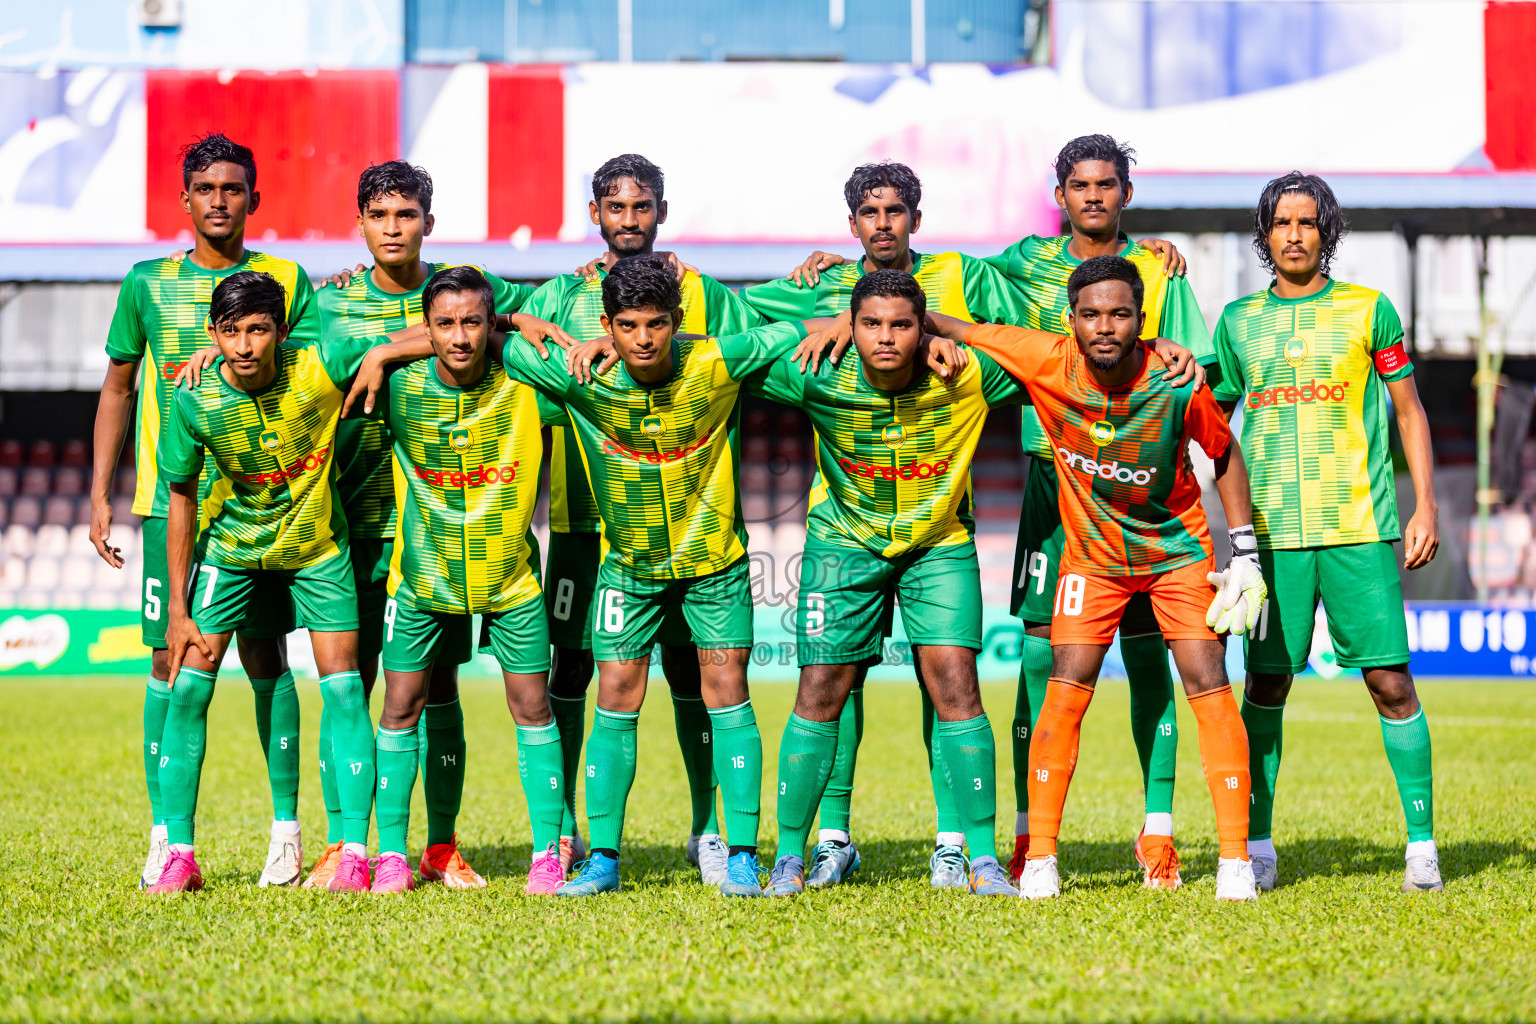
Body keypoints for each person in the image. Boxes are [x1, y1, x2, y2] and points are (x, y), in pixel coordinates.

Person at [783, 141, 1206, 886]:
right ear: (1060, 193)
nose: (1094, 198)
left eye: (1107, 185)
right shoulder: (1011, 261)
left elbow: (1185, 365)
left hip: (1131, 480)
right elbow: (789, 315)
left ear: (1127, 192)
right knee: (1016, 661)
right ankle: (1007, 836)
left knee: (1143, 654)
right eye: (1080, 186)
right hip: (1046, 474)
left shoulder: (1151, 273)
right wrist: (832, 290)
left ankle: (1154, 830)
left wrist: (1166, 309)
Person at [925, 255, 1266, 902]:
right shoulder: (1046, 359)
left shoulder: (1175, 381)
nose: (1104, 326)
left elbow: (1224, 454)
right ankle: (1043, 859)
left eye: (1119, 314)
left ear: (1142, 320)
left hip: (1176, 555)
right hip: (1092, 561)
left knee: (1207, 679)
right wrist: (871, 321)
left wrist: (1244, 554)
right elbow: (955, 324)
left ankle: (1234, 861)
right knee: (1067, 683)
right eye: (1090, 314)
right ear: (1070, 319)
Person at [738, 161, 1033, 890]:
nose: (886, 337)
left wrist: (948, 330)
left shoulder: (963, 366)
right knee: (820, 689)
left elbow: (1040, 342)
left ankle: (979, 854)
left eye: (902, 324)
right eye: (870, 324)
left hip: (939, 541)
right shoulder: (816, 367)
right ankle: (792, 854)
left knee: (956, 683)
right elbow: (724, 335)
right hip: (842, 541)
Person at [292, 161, 569, 888]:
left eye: (406, 215)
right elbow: (280, 358)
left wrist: (403, 345)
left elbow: (521, 325)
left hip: (440, 533)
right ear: (360, 223)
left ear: (427, 221)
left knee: (435, 688)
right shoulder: (329, 300)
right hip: (347, 513)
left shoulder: (467, 285)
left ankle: (439, 845)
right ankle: (351, 843)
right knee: (354, 685)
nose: (392, 229)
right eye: (379, 216)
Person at [505, 254, 816, 898]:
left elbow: (800, 328)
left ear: (677, 321)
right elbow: (490, 338)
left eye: (655, 323)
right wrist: (518, 316)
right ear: (606, 326)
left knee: (727, 692)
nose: (642, 339)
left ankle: (738, 854)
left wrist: (701, 339)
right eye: (626, 325)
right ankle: (604, 857)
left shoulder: (717, 363)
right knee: (614, 697)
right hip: (629, 571)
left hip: (715, 567)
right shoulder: (579, 376)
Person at [519, 154, 766, 885]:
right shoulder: (560, 293)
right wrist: (538, 322)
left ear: (660, 209)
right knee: (577, 675)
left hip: (696, 520)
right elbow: (469, 316)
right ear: (594, 212)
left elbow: (780, 324)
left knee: (704, 677)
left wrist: (829, 276)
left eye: (642, 206)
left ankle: (710, 832)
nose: (630, 219)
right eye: (615, 207)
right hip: (585, 523)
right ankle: (569, 835)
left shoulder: (703, 295)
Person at [90, 133, 312, 890]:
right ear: (184, 200)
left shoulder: (287, 279)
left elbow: (313, 368)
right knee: (171, 658)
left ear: (254, 198)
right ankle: (167, 837)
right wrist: (99, 491)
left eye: (232, 188)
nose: (219, 200)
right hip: (170, 501)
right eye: (205, 189)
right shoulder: (146, 284)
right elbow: (118, 387)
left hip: (266, 504)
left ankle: (285, 832)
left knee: (265, 657)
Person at [1210, 172, 1442, 893]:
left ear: (1326, 231)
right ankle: (1256, 843)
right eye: (1281, 223)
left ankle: (1422, 848)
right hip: (1272, 537)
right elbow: (1210, 425)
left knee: (1389, 682)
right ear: (1265, 233)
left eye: (1307, 222)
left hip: (1358, 524)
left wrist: (1425, 505)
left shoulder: (1369, 310)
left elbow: (1409, 412)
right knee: (1268, 684)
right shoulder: (1237, 321)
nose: (1294, 234)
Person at [151, 271, 388, 893]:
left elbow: (426, 333)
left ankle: (354, 854)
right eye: (230, 332)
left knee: (343, 693)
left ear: (282, 331)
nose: (245, 346)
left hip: (317, 551)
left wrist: (388, 350)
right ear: (212, 334)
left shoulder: (319, 363)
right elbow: (179, 496)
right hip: (231, 554)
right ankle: (178, 852)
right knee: (188, 692)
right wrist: (178, 607)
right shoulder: (195, 396)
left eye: (259, 330)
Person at [368, 267, 571, 895]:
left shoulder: (526, 385)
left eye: (474, 322)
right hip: (422, 580)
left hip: (511, 580)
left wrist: (516, 325)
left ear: (492, 325)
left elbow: (600, 358)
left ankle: (546, 852)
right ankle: (396, 855)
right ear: (425, 328)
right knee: (400, 707)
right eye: (446, 324)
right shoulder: (399, 388)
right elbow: (309, 350)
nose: (460, 337)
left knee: (532, 707)